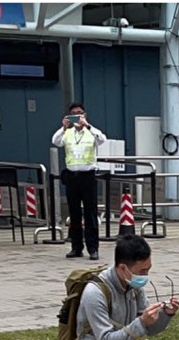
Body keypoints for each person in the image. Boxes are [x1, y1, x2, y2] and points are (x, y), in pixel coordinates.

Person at [52, 102, 106, 261]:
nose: (78, 116)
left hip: (88, 176)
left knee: (90, 214)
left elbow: (102, 139)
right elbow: (55, 141)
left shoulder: (91, 132)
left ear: (85, 115)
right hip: (72, 176)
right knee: (74, 214)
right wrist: (63, 127)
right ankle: (76, 247)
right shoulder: (67, 133)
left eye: (80, 113)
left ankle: (93, 248)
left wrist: (87, 126)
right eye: (74, 113)